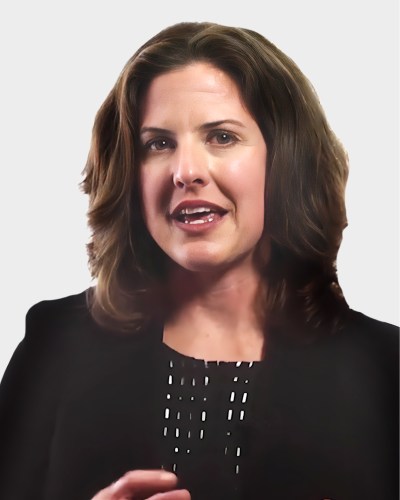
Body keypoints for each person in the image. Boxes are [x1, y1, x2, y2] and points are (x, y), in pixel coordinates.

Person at [0, 21, 398, 500]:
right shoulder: (55, 345)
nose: (186, 171)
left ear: (287, 161)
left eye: (222, 138)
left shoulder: (385, 369)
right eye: (158, 144)